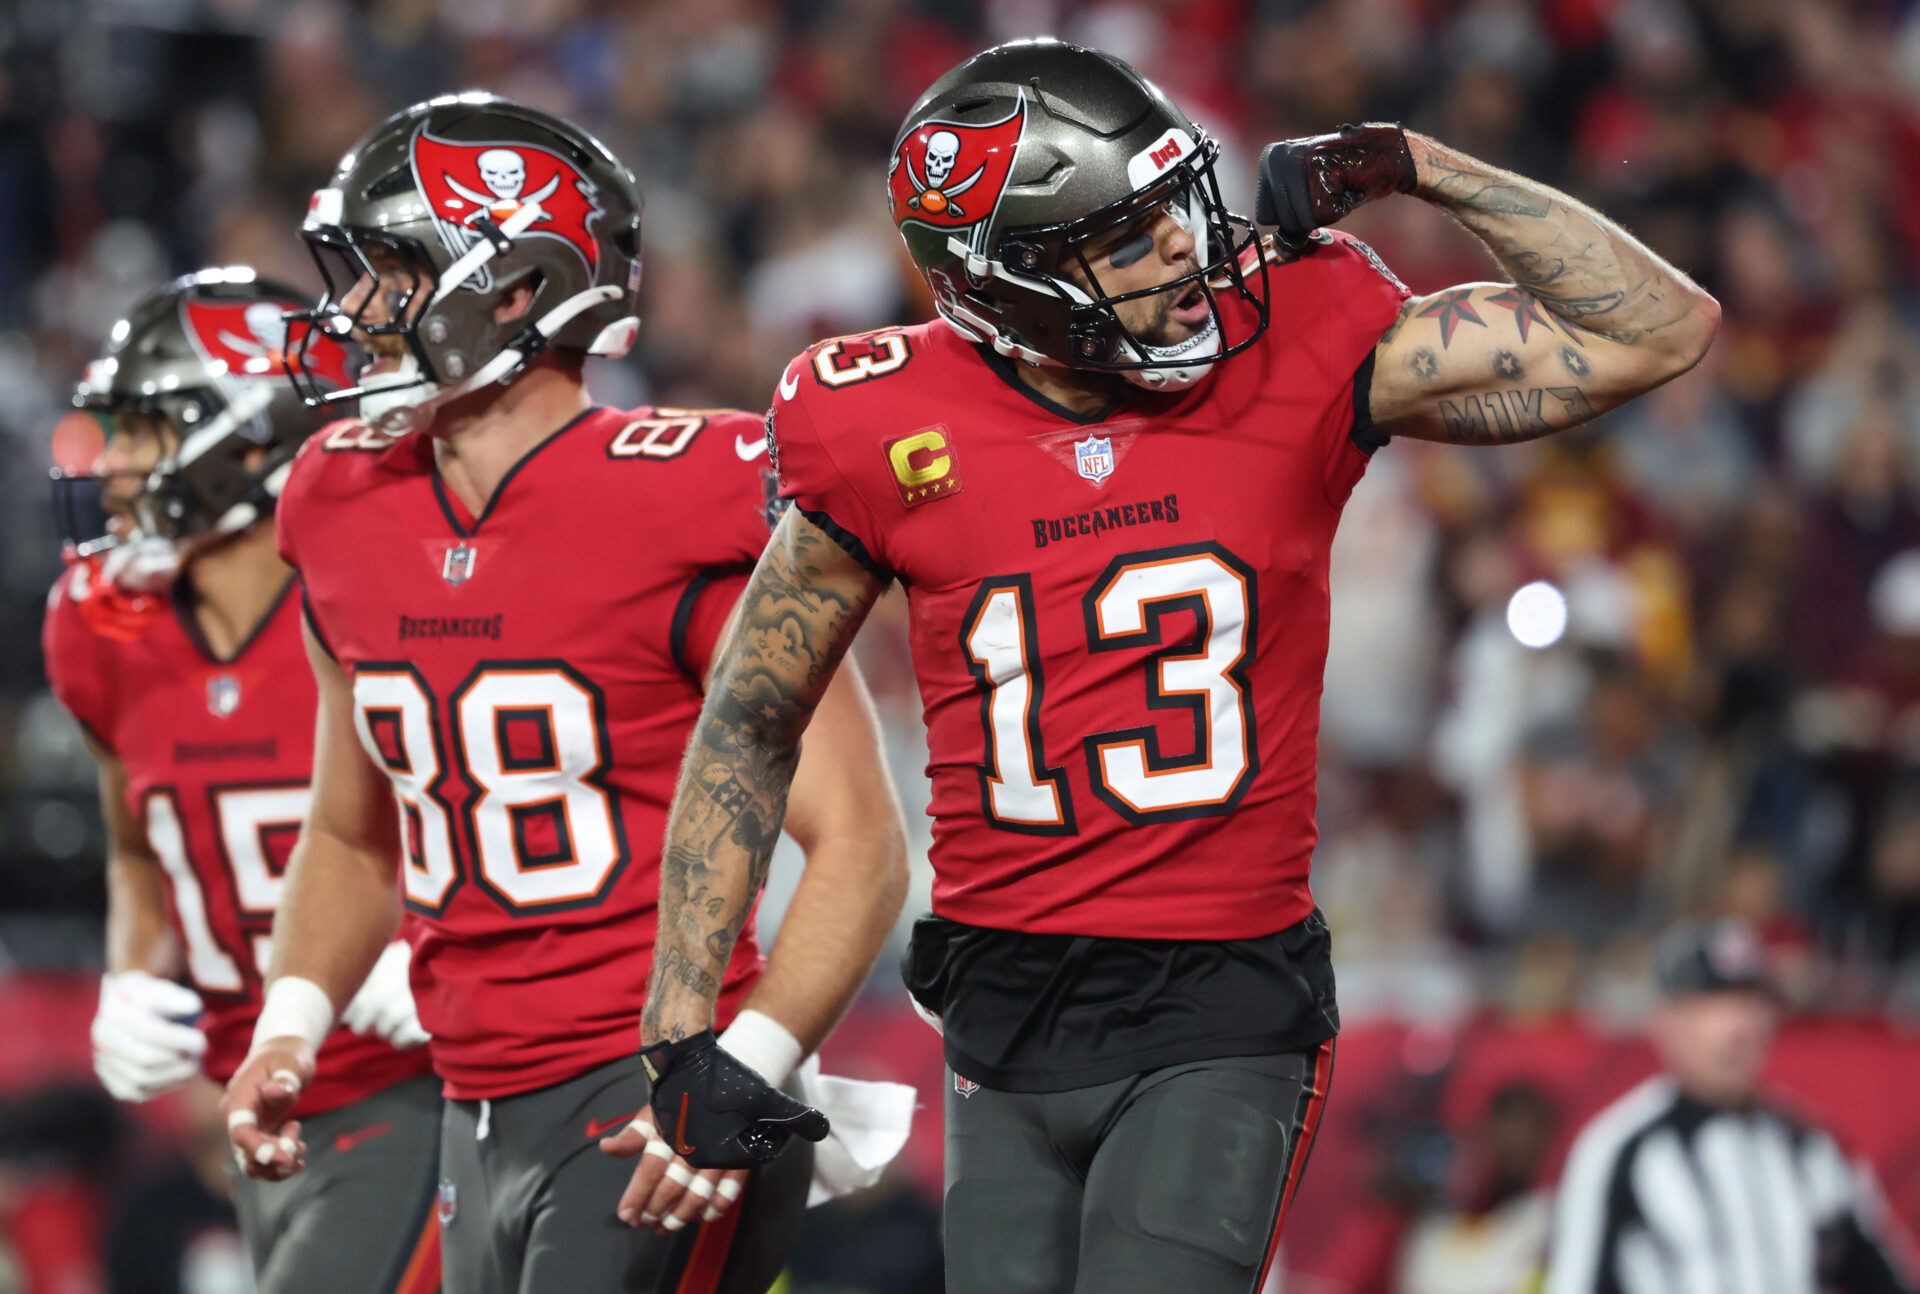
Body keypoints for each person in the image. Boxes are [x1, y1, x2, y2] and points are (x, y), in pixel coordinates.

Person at [638, 35, 1722, 1294]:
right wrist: (682, 1031)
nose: (1183, 251)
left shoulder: (1303, 330)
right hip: (1000, 1008)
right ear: (1011, 279)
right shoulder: (873, 419)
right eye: (1126, 233)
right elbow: (752, 715)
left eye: (1175, 208)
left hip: (1223, 1002)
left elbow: (1659, 332)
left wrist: (1420, 166)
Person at [218, 93, 909, 1294]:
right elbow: (349, 828)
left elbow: (857, 840)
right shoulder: (335, 500)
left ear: (518, 288)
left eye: (392, 273)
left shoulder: (685, 494)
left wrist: (744, 1064)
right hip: (469, 1097)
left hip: (651, 1095)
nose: (354, 311)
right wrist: (290, 1022)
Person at [43, 268, 442, 1294]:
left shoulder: (382, 594)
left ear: (251, 434)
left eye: (141, 431)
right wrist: (132, 970)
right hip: (255, 1106)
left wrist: (436, 946)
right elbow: (140, 840)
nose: (113, 464)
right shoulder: (96, 626)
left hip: (414, 1083)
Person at [1546, 920, 1917, 1294]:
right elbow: (1577, 1283)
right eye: (1714, 1005)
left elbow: (1881, 1272)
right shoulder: (1621, 1149)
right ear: (1667, 1021)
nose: (1739, 1027)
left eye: (1751, 1003)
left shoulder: (1808, 1145)